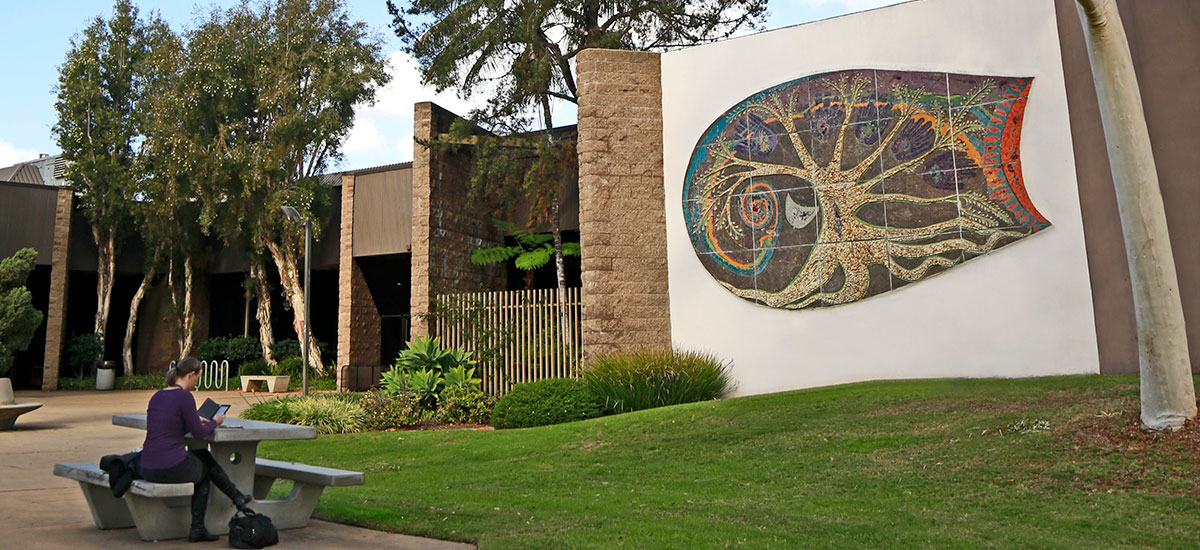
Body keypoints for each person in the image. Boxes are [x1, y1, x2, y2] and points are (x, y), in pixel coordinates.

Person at [140, 357, 250, 542]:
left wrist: (194, 422)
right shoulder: (184, 396)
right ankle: (198, 527)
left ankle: (236, 496)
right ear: (191, 375)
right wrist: (216, 422)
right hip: (168, 466)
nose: (197, 382)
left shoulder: (157, 395)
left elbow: (172, 427)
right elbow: (199, 434)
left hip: (146, 465)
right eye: (198, 377)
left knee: (202, 456)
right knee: (203, 472)